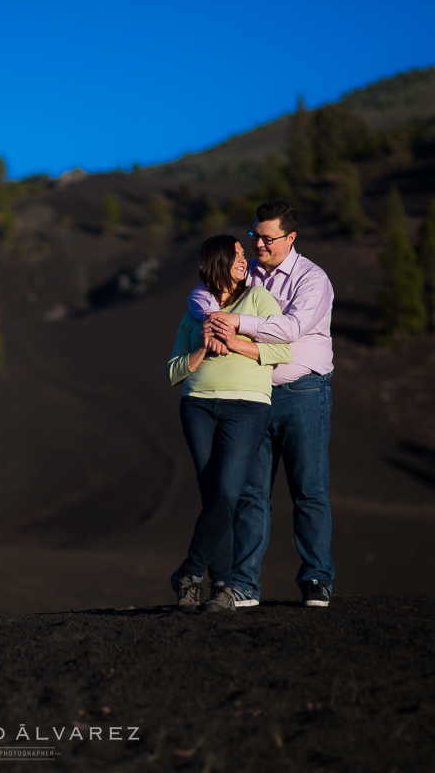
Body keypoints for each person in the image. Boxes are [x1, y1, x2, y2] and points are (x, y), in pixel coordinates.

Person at [189, 200, 335, 608]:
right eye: (255, 236)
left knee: (308, 488)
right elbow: (202, 291)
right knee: (252, 493)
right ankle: (244, 585)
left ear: (291, 238)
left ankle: (316, 580)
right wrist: (212, 315)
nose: (259, 245)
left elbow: (290, 329)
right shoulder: (245, 270)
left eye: (267, 238)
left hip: (304, 391)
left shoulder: (312, 280)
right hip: (251, 397)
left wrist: (236, 325)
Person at [168, 235, 290, 613]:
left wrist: (233, 340)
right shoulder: (195, 313)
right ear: (216, 261)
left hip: (248, 405)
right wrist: (203, 346)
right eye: (237, 254)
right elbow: (173, 371)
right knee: (212, 497)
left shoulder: (257, 300)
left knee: (227, 493)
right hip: (198, 406)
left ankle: (188, 572)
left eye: (243, 253)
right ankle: (221, 588)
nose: (245, 259)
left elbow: (282, 350)